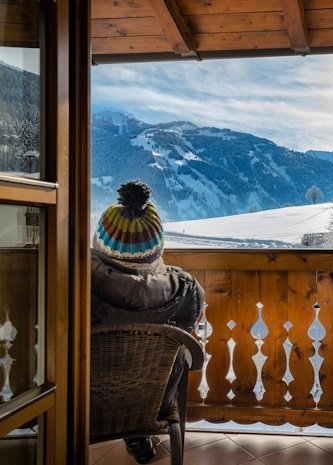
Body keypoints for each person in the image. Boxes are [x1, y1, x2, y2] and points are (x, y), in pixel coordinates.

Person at [91, 180, 203, 464]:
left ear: (100, 243)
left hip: (83, 398)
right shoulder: (186, 291)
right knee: (172, 356)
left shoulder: (76, 283)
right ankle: (138, 434)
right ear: (156, 246)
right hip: (150, 403)